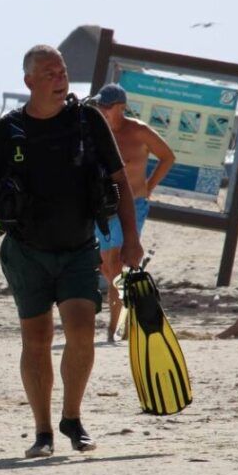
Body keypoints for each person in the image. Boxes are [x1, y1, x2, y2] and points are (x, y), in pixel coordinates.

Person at [0, 45, 143, 458]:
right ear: (29, 81)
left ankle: (72, 417)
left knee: (82, 331)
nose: (59, 77)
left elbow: (120, 181)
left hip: (79, 247)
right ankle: (44, 430)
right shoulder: (7, 132)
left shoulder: (88, 122)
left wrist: (131, 239)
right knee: (37, 339)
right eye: (48, 72)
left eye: (62, 70)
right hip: (26, 252)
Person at [91, 83, 176, 342]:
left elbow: (168, 157)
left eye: (106, 106)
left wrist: (149, 186)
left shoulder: (138, 131)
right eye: (99, 105)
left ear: (121, 107)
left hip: (135, 204)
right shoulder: (97, 132)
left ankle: (114, 330)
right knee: (108, 267)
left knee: (120, 263)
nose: (101, 110)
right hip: (105, 208)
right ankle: (123, 321)